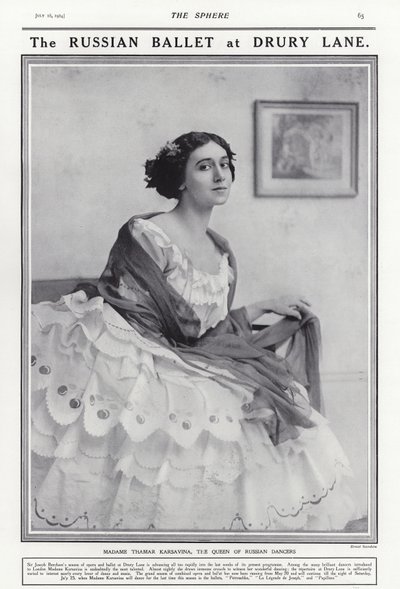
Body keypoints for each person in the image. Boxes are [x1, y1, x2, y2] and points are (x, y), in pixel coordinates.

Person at [31, 131, 356, 531]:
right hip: (131, 347)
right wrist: (195, 366)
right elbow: (136, 316)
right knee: (201, 406)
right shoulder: (149, 235)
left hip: (175, 352)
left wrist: (262, 307)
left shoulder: (221, 252)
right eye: (205, 166)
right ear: (181, 179)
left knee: (269, 401)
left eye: (225, 165)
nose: (220, 175)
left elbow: (203, 332)